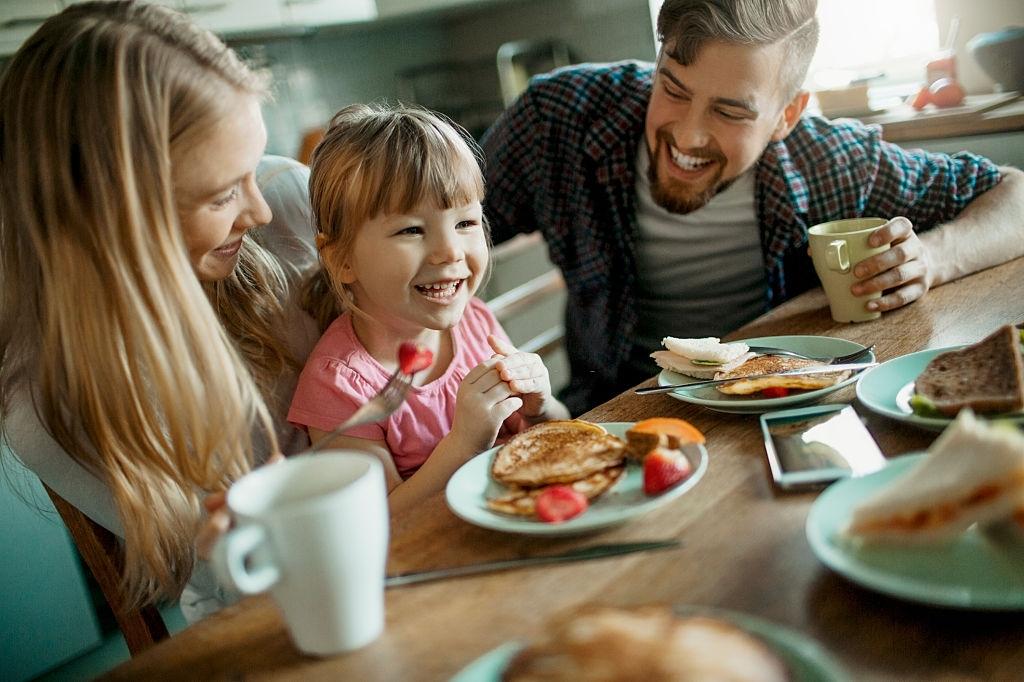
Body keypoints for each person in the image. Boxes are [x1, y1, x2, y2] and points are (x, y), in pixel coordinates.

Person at [481, 0, 1024, 415]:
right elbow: (438, 221)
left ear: (787, 115)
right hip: (615, 411)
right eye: (672, 87)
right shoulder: (559, 118)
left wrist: (932, 259)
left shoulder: (831, 159)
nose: (687, 136)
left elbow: (1015, 194)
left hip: (783, 409)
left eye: (730, 112)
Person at [0, 1, 320, 622]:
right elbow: (218, 573)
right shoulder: (46, 403)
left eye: (250, 170)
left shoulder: (291, 202)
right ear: (111, 214)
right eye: (223, 194)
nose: (257, 212)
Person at [288, 103, 570, 514]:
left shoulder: (475, 322)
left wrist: (542, 406)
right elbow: (380, 523)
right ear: (342, 259)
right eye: (412, 230)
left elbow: (549, 436)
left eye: (465, 223)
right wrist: (463, 443)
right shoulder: (340, 386)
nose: (449, 252)